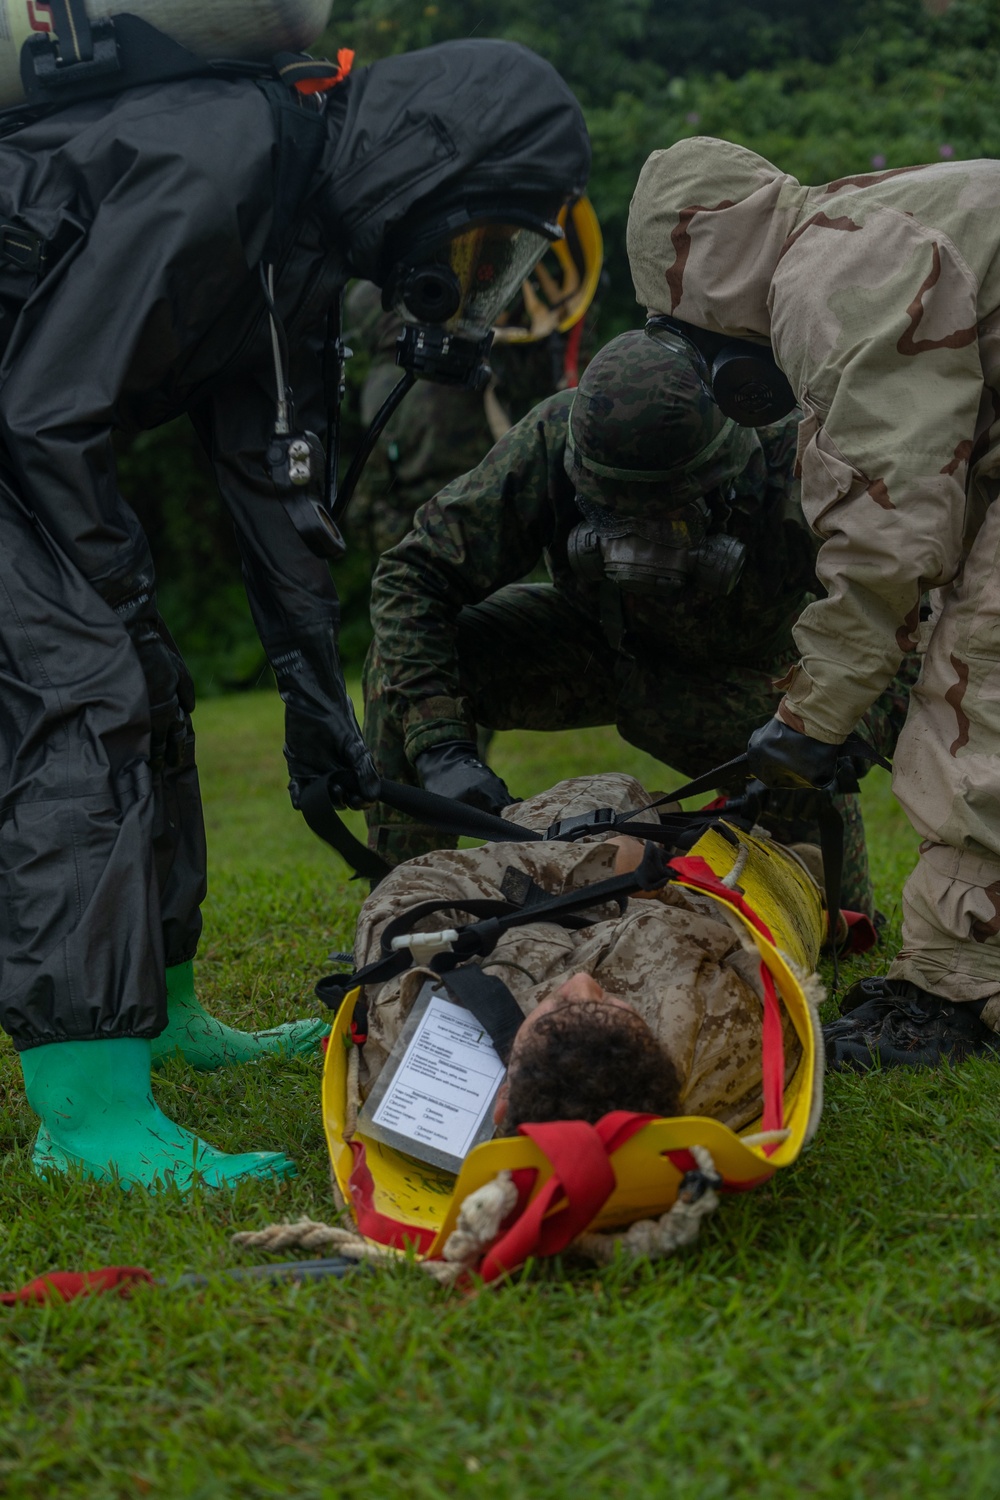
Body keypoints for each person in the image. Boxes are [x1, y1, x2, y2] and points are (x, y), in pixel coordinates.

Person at [0, 36, 590, 1187]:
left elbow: (274, 482)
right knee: (84, 689)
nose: (467, 273)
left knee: (150, 683)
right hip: (23, 428)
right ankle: (87, 1120)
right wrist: (111, 588)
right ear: (428, 160)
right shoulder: (221, 159)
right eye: (474, 235)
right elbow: (45, 412)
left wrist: (313, 691)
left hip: (26, 430)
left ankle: (161, 1013)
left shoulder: (297, 241)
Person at [627, 137, 1000, 1070]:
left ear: (703, 275)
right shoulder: (855, 221)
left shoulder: (829, 275)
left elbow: (891, 532)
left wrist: (811, 719)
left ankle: (956, 985)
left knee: (976, 679)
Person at [363, 327, 916, 914]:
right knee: (407, 674)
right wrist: (441, 749)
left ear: (723, 477)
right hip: (589, 646)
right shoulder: (552, 436)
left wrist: (851, 729)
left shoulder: (801, 469)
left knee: (834, 917)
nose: (630, 536)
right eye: (607, 507)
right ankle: (405, 905)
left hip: (751, 700)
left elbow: (907, 612)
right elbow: (412, 577)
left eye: (661, 515)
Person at [351, 773, 822, 1137]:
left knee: (606, 801)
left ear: (502, 1097)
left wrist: (582, 868)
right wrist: (640, 883)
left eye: (555, 1008)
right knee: (627, 800)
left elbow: (405, 897)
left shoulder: (422, 1062)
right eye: (613, 1006)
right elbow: (760, 954)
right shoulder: (715, 1037)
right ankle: (808, 879)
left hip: (539, 897)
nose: (581, 984)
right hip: (672, 895)